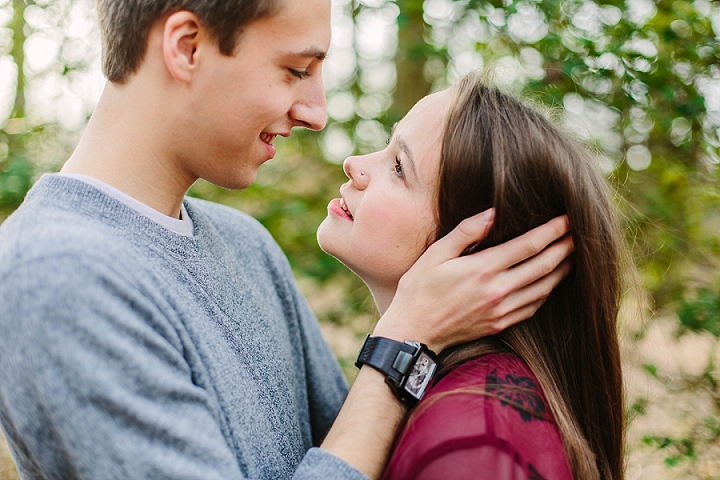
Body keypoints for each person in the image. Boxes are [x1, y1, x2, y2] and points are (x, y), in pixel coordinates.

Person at [0, 1, 574, 479]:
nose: (317, 113)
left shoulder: (243, 244)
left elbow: (352, 450)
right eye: (297, 71)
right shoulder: (55, 275)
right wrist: (406, 335)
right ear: (187, 47)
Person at [317, 73, 628, 480]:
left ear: (479, 252)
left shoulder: (478, 443)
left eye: (398, 166)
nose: (354, 164)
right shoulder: (450, 403)